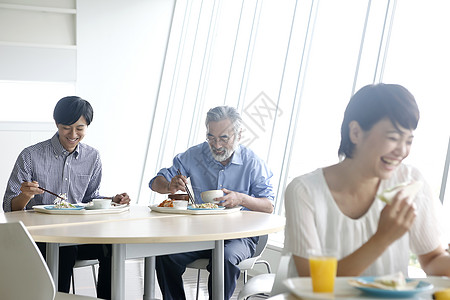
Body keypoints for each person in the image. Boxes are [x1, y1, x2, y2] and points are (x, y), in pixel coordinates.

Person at [284, 83, 450, 278]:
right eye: (393, 137)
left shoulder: (410, 180)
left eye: (408, 141)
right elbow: (312, 282)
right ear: (355, 132)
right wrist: (383, 238)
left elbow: (432, 260)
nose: (402, 151)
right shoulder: (304, 191)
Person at [3, 96, 130, 299]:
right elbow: (10, 208)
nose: (72, 134)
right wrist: (25, 195)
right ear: (56, 124)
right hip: (40, 237)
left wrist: (113, 198)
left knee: (112, 246)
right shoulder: (31, 155)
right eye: (66, 128)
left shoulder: (93, 156)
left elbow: (90, 198)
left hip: (79, 234)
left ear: (87, 126)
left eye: (79, 128)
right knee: (65, 251)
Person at [149, 105, 274, 300]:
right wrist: (169, 186)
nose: (216, 145)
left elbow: (268, 206)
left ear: (239, 135)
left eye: (224, 138)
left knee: (224, 259)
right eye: (211, 137)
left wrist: (241, 198)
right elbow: (155, 182)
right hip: (200, 235)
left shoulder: (253, 163)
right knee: (164, 255)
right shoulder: (194, 155)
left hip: (239, 237)